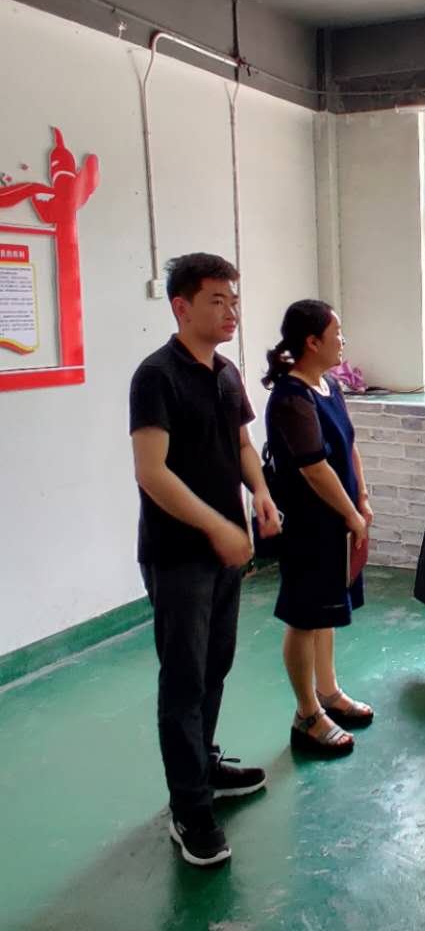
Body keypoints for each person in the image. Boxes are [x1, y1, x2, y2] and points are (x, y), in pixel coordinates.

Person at [129, 252, 281, 868]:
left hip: (226, 554)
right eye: (217, 300)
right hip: (178, 556)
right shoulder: (156, 376)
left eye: (234, 301)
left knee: (215, 666)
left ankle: (205, 765)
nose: (230, 311)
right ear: (181, 306)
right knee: (184, 680)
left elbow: (242, 443)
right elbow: (151, 472)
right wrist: (219, 526)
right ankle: (188, 808)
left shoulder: (225, 372)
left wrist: (260, 493)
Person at [264, 301, 374, 758]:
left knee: (327, 611)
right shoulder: (291, 397)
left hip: (338, 521)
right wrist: (350, 514)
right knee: (304, 618)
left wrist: (362, 498)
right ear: (312, 342)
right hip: (310, 525)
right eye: (336, 332)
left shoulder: (329, 386)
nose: (342, 340)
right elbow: (313, 467)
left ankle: (328, 693)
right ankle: (307, 713)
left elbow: (349, 446)